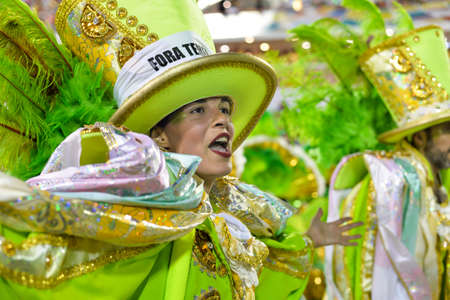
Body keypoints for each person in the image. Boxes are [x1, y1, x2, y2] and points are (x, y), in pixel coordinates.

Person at [0, 0, 362, 299]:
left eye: (224, 108)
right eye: (198, 110)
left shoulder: (233, 206)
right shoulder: (133, 211)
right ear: (159, 135)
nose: (222, 121)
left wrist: (310, 239)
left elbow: (263, 266)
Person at [326, 24, 449, 300]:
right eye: (447, 131)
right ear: (419, 138)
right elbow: (376, 277)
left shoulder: (433, 178)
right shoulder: (392, 183)